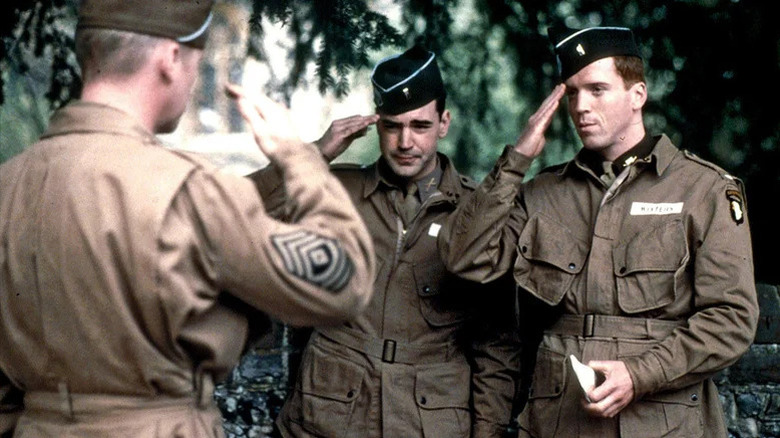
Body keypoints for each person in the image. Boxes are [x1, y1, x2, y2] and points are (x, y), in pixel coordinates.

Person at [0, 1, 376, 436]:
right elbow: (344, 281)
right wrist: (298, 159)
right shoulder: (188, 190)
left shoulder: (9, 187)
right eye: (199, 60)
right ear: (172, 58)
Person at [439, 25, 759, 438]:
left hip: (661, 421)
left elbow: (732, 319)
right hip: (558, 421)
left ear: (637, 95)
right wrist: (516, 161)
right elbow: (463, 258)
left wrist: (642, 374)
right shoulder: (543, 194)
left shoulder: (704, 190)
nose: (580, 107)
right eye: (572, 93)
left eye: (597, 89)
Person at [252, 45, 521, 437]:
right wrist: (315, 155)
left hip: (427, 422)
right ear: (376, 125)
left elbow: (497, 345)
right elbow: (240, 215)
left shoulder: (475, 213)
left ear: (443, 123)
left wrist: (488, 432)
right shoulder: (338, 190)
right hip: (328, 417)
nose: (405, 142)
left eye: (420, 126)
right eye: (392, 127)